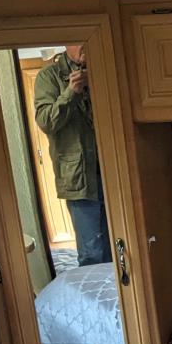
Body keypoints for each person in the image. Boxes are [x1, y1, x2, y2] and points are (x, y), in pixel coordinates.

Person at [34, 44, 112, 267]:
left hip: (115, 173)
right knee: (92, 252)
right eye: (77, 40)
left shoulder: (106, 70)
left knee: (122, 246)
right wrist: (71, 92)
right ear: (66, 43)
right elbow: (46, 122)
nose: (84, 44)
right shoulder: (49, 76)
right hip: (79, 178)